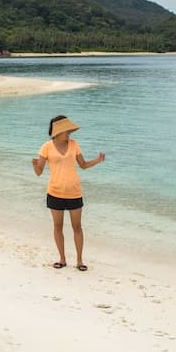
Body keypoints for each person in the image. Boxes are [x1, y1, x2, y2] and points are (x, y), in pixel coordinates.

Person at [31, 115, 105, 271]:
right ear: (58, 131)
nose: (69, 133)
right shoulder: (46, 147)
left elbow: (83, 165)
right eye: (67, 131)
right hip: (55, 192)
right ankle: (62, 259)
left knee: (77, 227)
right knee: (58, 227)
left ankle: (79, 261)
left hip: (74, 193)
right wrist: (35, 165)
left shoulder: (74, 144)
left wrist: (97, 160)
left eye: (70, 131)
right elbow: (39, 172)